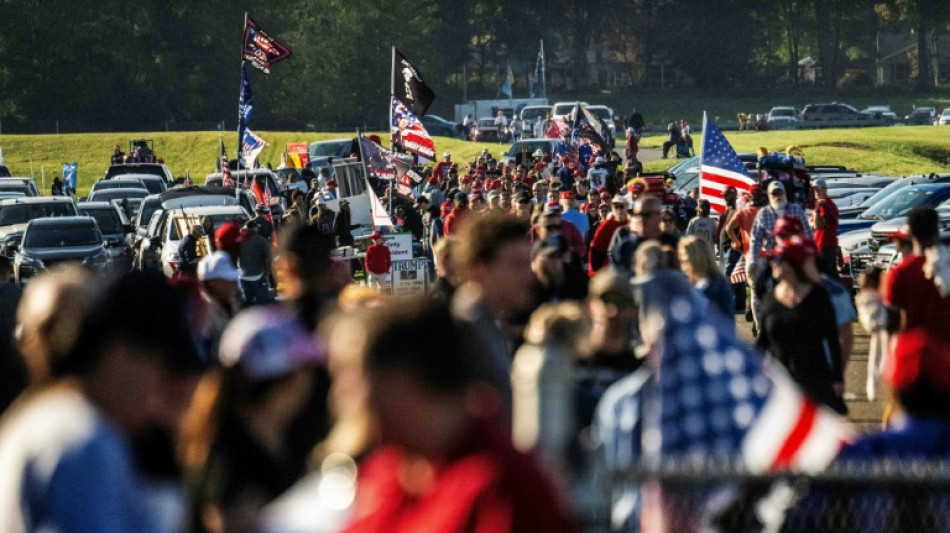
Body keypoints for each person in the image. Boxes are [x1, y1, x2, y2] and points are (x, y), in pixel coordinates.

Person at [338, 298, 575, 532]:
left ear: (402, 382)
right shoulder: (390, 471)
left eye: (351, 378)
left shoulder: (499, 487)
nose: (339, 394)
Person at [0, 271, 204, 533]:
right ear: (120, 353)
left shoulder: (39, 417)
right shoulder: (86, 444)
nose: (162, 392)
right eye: (164, 369)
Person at [182, 306, 325, 533]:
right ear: (285, 380)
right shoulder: (228, 466)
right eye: (304, 368)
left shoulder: (291, 440)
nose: (309, 381)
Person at [452, 215, 535, 422]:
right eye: (517, 265)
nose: (529, 276)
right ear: (479, 269)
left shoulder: (488, 323)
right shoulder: (463, 333)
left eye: (528, 264)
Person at [756, 235, 846, 414]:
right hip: (780, 384)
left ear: (792, 264)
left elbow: (832, 339)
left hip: (814, 382)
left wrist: (837, 378)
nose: (773, 263)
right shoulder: (770, 299)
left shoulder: (818, 297)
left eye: (778, 259)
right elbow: (763, 343)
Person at [884, 206, 950, 341]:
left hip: (910, 349)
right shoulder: (946, 265)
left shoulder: (900, 273)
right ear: (937, 232)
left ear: (911, 233)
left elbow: (891, 322)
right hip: (944, 349)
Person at [678, 235, 735, 325]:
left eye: (684, 255)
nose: (681, 260)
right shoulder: (682, 284)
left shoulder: (718, 287)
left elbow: (726, 323)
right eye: (680, 255)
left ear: (696, 257)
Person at [197, 251, 241, 360]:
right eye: (228, 280)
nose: (234, 283)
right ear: (213, 283)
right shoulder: (203, 316)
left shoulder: (232, 304)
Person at [589, 195, 628, 275]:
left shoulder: (632, 222)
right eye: (616, 207)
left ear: (627, 207)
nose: (619, 210)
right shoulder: (607, 225)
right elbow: (596, 249)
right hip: (610, 269)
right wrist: (596, 273)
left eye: (621, 206)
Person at [238, 220, 273, 307]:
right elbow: (269, 257)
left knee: (247, 306)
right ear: (254, 228)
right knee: (262, 306)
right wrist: (267, 272)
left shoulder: (238, 240)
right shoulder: (261, 240)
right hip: (258, 275)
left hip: (242, 276)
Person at [810, 178, 839, 276]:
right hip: (820, 244)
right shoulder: (819, 205)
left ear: (825, 189)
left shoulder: (827, 205)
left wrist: (817, 212)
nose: (816, 192)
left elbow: (818, 225)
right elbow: (811, 223)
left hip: (826, 245)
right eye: (814, 189)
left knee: (827, 274)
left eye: (818, 189)